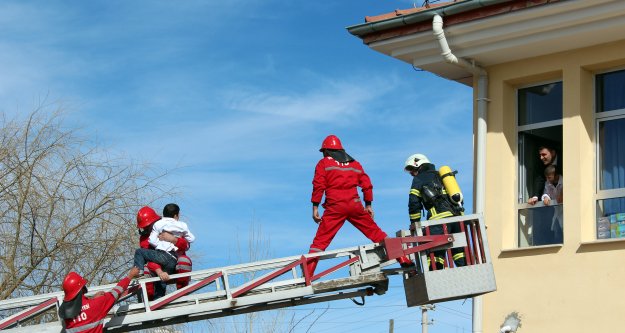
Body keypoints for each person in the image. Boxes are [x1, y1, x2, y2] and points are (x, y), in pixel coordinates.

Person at [306, 135, 412, 275]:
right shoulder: (354, 164)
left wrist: (315, 206)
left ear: (327, 150)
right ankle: (402, 258)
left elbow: (318, 185)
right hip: (354, 205)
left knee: (320, 242)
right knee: (377, 233)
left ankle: (307, 275)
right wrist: (368, 204)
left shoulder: (323, 163)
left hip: (335, 206)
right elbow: (367, 185)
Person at [404, 153, 465, 270]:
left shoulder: (419, 179)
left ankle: (435, 278)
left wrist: (414, 223)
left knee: (435, 254)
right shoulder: (442, 176)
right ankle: (468, 274)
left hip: (438, 222)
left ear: (419, 165)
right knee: (459, 251)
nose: (411, 173)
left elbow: (414, 203)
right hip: (457, 220)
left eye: (412, 169)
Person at [58, 267, 141, 333]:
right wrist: (130, 276)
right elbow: (116, 292)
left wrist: (92, 299)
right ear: (82, 289)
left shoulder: (66, 316)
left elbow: (81, 309)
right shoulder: (96, 304)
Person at [136, 206, 193, 300]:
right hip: (158, 268)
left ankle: (182, 294)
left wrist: (173, 239)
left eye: (148, 226)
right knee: (146, 269)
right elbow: (148, 258)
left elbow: (186, 245)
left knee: (184, 260)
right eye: (144, 227)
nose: (147, 229)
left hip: (175, 264)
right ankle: (150, 301)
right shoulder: (145, 239)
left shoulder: (170, 227)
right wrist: (159, 271)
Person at [541, 164, 563, 242]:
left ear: (556, 175)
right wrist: (546, 197)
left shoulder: (564, 181)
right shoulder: (548, 183)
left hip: (566, 213)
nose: (547, 179)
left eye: (549, 177)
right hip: (556, 212)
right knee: (556, 233)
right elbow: (546, 192)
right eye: (546, 177)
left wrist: (563, 193)